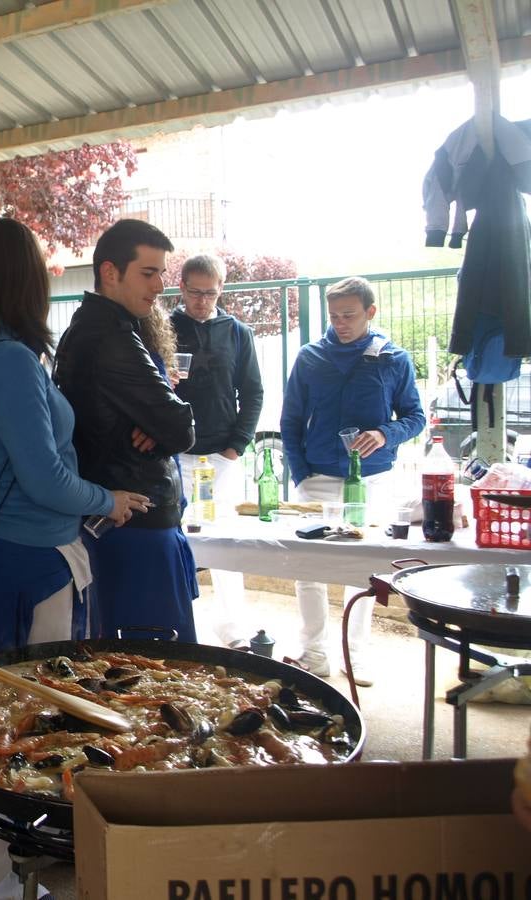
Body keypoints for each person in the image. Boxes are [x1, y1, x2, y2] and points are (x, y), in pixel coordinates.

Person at [0, 217, 144, 899]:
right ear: (24, 279)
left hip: (1, 557)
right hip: (28, 561)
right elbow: (43, 478)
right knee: (23, 719)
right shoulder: (8, 360)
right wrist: (107, 498)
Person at [55, 219, 198, 643]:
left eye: (162, 273)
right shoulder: (112, 336)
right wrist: (163, 424)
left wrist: (157, 423)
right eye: (148, 273)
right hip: (134, 523)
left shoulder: (92, 327)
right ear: (110, 272)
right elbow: (181, 426)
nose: (159, 286)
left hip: (119, 516)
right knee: (156, 670)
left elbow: (164, 422)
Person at [280, 276, 425, 685]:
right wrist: (301, 472)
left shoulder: (393, 359)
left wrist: (385, 434)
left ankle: (353, 654)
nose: (340, 323)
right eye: (334, 315)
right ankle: (314, 653)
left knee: (362, 571)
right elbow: (290, 420)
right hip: (318, 477)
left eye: (349, 315)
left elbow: (415, 416)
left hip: (372, 479)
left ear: (370, 313)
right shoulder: (310, 357)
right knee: (306, 569)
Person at [170, 254, 263, 647]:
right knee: (177, 545)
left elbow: (253, 392)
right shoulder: (164, 327)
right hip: (176, 456)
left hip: (220, 459)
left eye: (210, 293)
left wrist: (236, 446)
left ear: (221, 289)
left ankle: (233, 633)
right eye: (195, 292)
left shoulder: (238, 332)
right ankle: (180, 629)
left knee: (226, 545)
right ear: (182, 289)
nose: (202, 301)